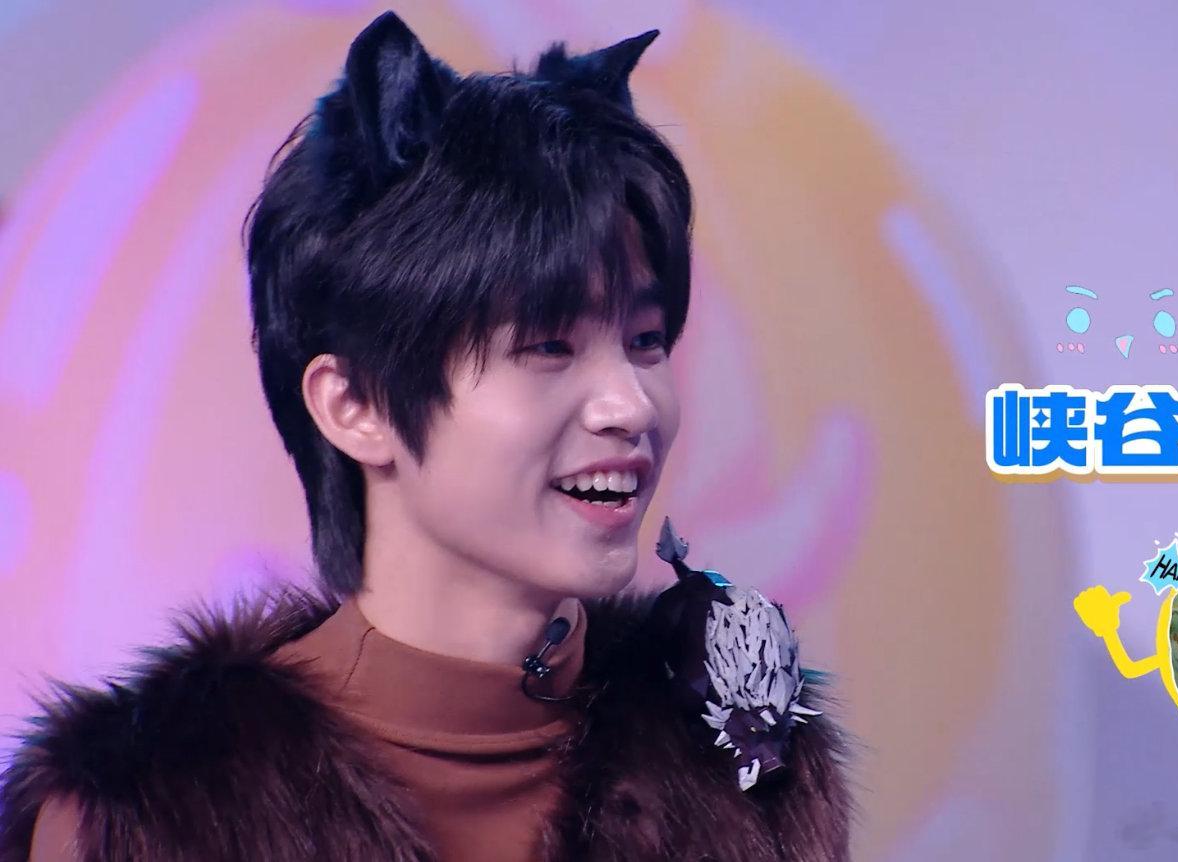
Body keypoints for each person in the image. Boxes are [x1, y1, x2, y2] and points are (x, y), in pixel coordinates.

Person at [0, 10, 856, 861]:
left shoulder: (743, 770)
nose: (630, 405)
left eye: (646, 341)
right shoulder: (145, 819)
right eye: (548, 346)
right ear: (353, 404)